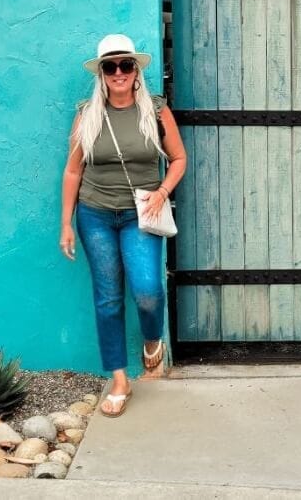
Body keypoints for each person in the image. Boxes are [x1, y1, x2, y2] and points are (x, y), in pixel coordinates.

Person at [60, 34, 186, 417]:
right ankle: (119, 380)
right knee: (108, 298)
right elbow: (73, 170)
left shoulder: (156, 110)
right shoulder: (87, 114)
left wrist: (162, 192)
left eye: (125, 65)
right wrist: (66, 223)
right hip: (95, 214)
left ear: (136, 71)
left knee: (147, 291)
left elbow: (179, 158)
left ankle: (152, 338)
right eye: (110, 66)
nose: (118, 72)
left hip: (141, 214)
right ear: (101, 73)